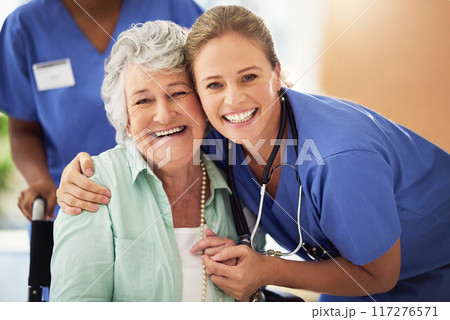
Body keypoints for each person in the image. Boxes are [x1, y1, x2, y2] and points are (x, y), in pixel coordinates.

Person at [56, 5, 450, 302]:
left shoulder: (337, 156)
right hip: (349, 280)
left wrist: (266, 270)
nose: (233, 99)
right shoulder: (220, 140)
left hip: (427, 274)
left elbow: (380, 274)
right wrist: (78, 175)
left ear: (278, 73)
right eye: (213, 84)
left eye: (249, 77)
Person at [50, 20, 247, 302]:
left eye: (178, 93)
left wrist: (246, 289)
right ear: (127, 121)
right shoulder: (91, 186)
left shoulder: (236, 185)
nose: (164, 115)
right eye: (143, 101)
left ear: (204, 102)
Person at [0, 0, 202, 221]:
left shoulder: (173, 7)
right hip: (76, 200)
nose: (162, 114)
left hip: (175, 197)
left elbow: (213, 87)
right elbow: (23, 129)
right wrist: (40, 181)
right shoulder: (24, 27)